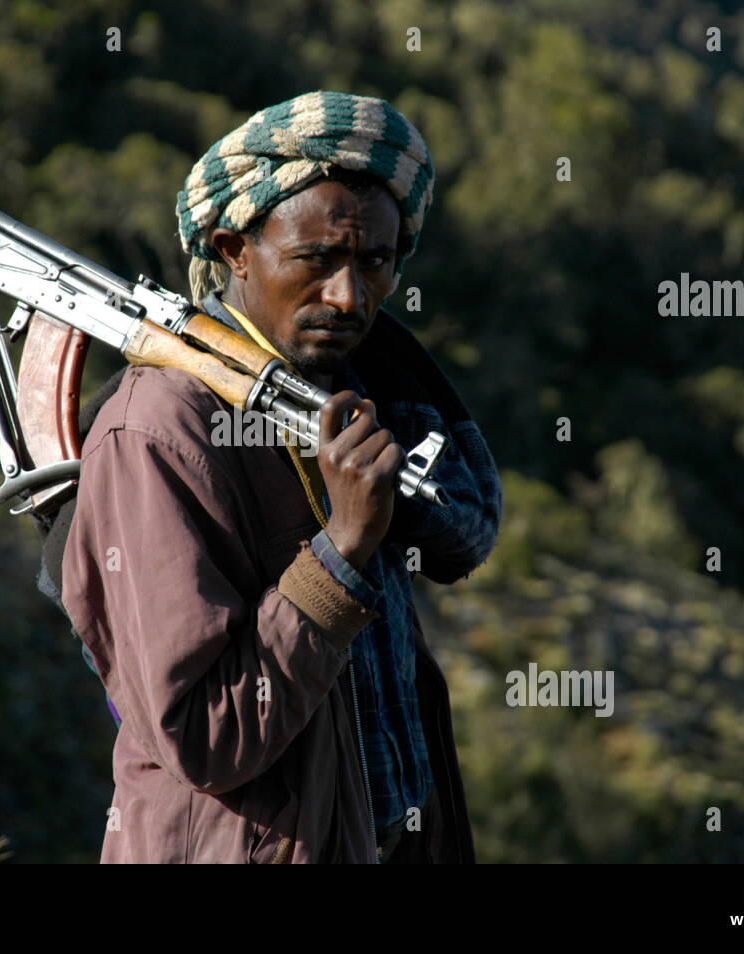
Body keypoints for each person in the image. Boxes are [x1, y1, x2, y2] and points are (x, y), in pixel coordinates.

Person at [57, 90, 502, 863]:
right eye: (317, 259)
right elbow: (203, 735)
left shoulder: (361, 390)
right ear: (234, 250)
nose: (349, 296)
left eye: (375, 262)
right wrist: (343, 550)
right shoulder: (161, 428)